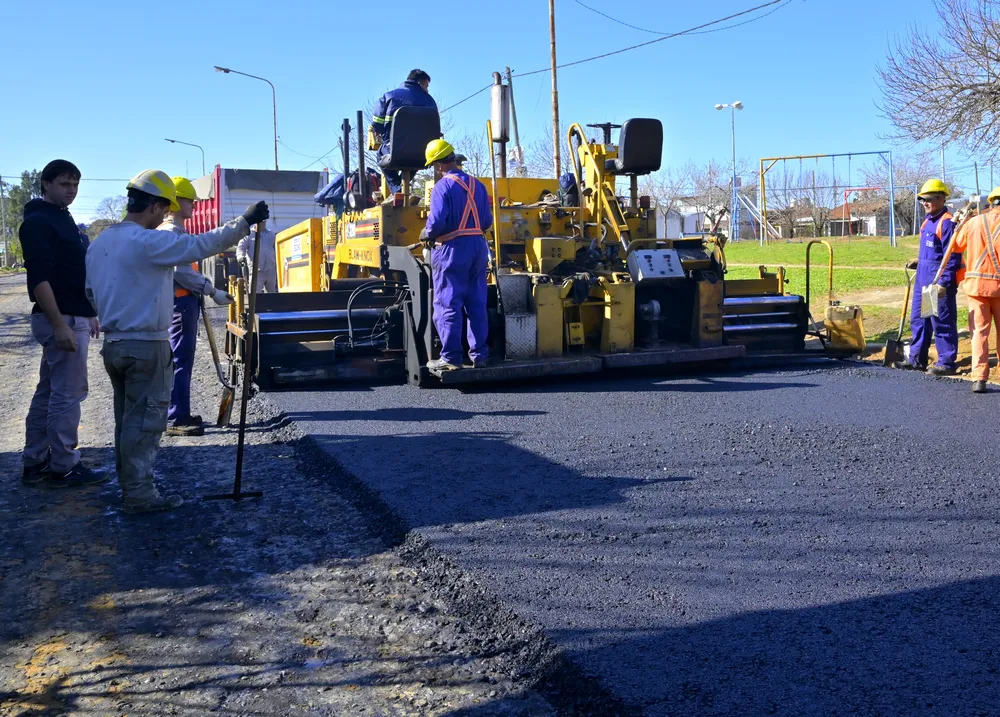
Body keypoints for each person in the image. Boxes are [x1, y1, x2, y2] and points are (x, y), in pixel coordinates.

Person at [86, 169, 268, 514]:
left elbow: (90, 293)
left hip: (114, 345)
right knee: (146, 423)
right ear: (154, 206)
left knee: (127, 420)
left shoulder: (101, 244)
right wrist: (244, 222)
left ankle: (129, 485)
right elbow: (199, 245)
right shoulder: (146, 241)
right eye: (164, 207)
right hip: (146, 346)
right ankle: (139, 496)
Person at [19, 159, 104, 488]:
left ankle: (35, 459)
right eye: (64, 184)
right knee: (68, 394)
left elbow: (70, 274)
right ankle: (64, 465)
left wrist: (89, 311)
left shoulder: (62, 219)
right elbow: (39, 280)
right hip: (59, 319)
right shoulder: (39, 222)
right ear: (46, 184)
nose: (71, 190)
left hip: (71, 314)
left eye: (75, 185)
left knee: (48, 392)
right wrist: (60, 325)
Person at [158, 177, 235, 436]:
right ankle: (176, 418)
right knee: (179, 360)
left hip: (183, 302)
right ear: (174, 200)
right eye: (189, 200)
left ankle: (180, 412)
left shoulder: (177, 233)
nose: (193, 205)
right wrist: (211, 290)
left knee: (183, 360)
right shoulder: (169, 233)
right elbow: (182, 273)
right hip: (179, 304)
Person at [421, 139, 493, 371]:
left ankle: (451, 358)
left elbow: (437, 222)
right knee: (476, 303)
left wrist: (427, 232)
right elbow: (486, 222)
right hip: (478, 247)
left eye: (434, 165)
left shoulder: (443, 187)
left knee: (448, 303)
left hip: (452, 249)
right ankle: (480, 355)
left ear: (439, 164)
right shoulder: (478, 185)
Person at [938, 187, 1000, 393]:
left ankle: (979, 378)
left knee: (979, 334)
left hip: (976, 288)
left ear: (990, 203)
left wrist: (960, 224)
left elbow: (955, 246)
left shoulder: (974, 222)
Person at [897, 178, 962, 375]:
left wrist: (944, 283)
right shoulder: (927, 222)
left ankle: (947, 362)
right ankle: (917, 359)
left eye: (929, 199)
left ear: (941, 199)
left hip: (937, 282)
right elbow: (932, 252)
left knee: (940, 321)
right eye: (922, 200)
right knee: (920, 321)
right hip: (922, 281)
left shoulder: (947, 223)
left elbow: (952, 257)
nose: (925, 203)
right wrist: (919, 260)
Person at [370, 69, 438, 194]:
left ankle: (397, 190)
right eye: (426, 86)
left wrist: (380, 132)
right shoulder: (430, 101)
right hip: (423, 153)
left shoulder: (389, 96)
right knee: (415, 160)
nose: (427, 90)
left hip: (395, 149)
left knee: (381, 154)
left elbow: (377, 125)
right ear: (419, 83)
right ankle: (401, 189)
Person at [236, 219, 278, 293]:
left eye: (264, 222)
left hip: (270, 270)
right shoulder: (248, 235)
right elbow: (241, 247)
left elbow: (278, 247)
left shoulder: (271, 234)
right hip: (256, 271)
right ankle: (255, 305)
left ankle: (270, 305)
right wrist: (240, 256)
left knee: (272, 295)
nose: (263, 224)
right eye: (261, 222)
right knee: (255, 295)